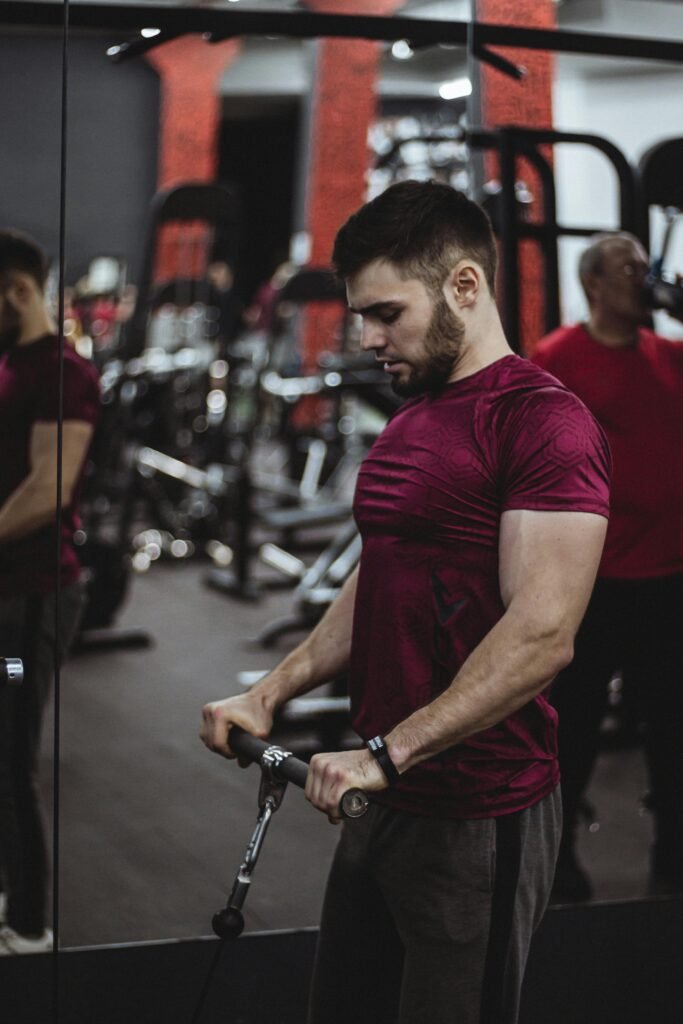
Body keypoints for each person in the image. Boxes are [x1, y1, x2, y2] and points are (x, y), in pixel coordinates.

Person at [201, 181, 610, 1024]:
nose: (366, 336)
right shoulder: (414, 416)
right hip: (384, 799)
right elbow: (380, 574)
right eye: (361, 314)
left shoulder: (541, 423)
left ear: (464, 286)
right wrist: (271, 690)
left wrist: (387, 754)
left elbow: (541, 632)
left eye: (385, 312)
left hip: (476, 812)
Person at [533, 231, 683, 902]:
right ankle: (556, 864)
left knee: (673, 733)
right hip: (593, 585)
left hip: (667, 582)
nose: (641, 277)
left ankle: (674, 859)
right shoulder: (558, 358)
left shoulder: (669, 356)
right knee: (573, 731)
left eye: (644, 268)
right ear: (593, 283)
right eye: (628, 268)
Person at [0, 230, 100, 954]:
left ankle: (28, 927)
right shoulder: (9, 364)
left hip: (30, 600)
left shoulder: (64, 373)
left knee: (8, 754)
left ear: (18, 291)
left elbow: (47, 490)